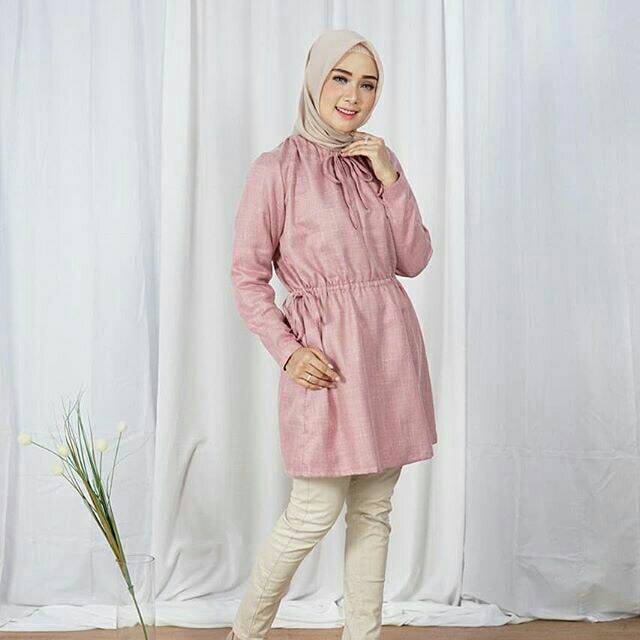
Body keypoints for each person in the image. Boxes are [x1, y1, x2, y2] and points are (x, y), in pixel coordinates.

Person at [228, 28, 437, 640]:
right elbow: (247, 277)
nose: (354, 95)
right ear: (314, 80)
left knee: (373, 510)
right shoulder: (275, 170)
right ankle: (245, 634)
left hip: (388, 351)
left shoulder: (376, 165)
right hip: (326, 359)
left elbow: (414, 258)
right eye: (341, 78)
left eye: (368, 84)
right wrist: (287, 352)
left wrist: (392, 178)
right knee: (312, 511)